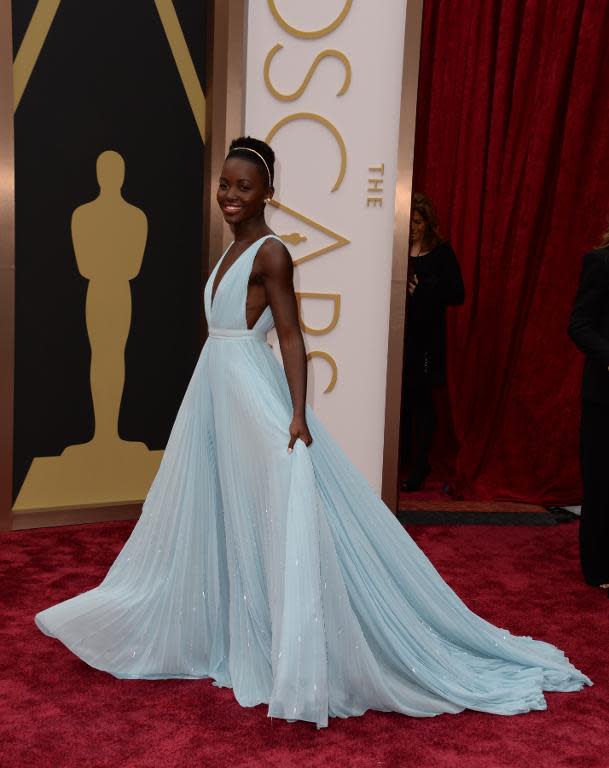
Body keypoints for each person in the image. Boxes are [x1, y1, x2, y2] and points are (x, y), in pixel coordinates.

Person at [36, 137, 590, 728]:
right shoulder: (230, 251)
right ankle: (233, 628)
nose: (230, 194)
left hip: (252, 396)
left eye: (244, 186)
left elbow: (292, 336)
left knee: (273, 510)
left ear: (268, 193)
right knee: (224, 510)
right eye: (225, 183)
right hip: (215, 393)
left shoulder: (271, 253)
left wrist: (298, 414)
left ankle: (290, 644)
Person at [402, 194, 464, 491]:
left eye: (418, 222)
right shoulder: (397, 250)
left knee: (423, 402)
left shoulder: (441, 253)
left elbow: (457, 294)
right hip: (399, 337)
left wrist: (424, 289)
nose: (413, 227)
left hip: (427, 339)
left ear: (428, 223)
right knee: (402, 401)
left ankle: (420, 463)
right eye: (409, 222)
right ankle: (403, 459)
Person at [568, 222, 609, 595]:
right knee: (600, 482)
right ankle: (598, 567)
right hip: (604, 396)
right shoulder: (600, 263)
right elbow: (579, 325)